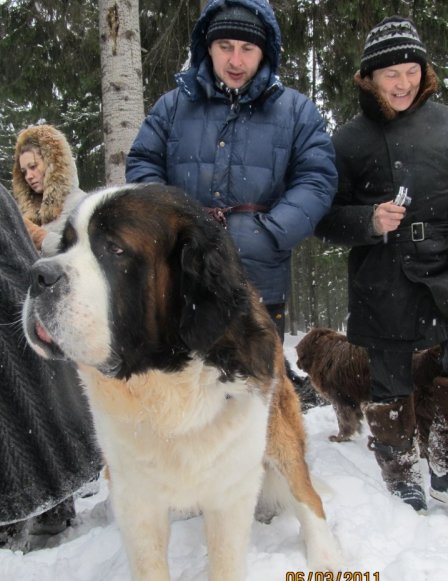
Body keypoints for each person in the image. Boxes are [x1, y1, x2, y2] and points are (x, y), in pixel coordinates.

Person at [125, 0, 337, 345]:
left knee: (256, 390)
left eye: (247, 49)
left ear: (263, 52)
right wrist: (172, 224)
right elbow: (143, 163)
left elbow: (317, 179)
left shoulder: (297, 111)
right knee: (185, 390)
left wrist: (271, 233)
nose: (235, 61)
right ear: (208, 47)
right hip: (181, 278)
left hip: (260, 282)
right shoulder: (172, 106)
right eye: (225, 47)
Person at [315, 16, 448, 511]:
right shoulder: (347, 140)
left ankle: (444, 461)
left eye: (410, 69)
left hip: (445, 270)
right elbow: (323, 217)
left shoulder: (446, 124)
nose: (402, 82)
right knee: (390, 383)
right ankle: (400, 472)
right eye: (389, 73)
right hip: (383, 277)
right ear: (369, 78)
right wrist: (368, 220)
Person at [0, 114, 101, 549]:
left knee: (3, 411)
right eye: (23, 168)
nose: (30, 174)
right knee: (34, 402)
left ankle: (17, 511)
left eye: (36, 165)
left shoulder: (74, 202)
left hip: (8, 307)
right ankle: (51, 498)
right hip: (18, 303)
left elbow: (76, 251)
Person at [12, 124, 85, 252]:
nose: (28, 176)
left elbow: (86, 255)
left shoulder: (82, 204)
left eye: (33, 166)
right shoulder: (27, 214)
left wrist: (42, 239)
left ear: (53, 164)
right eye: (24, 172)